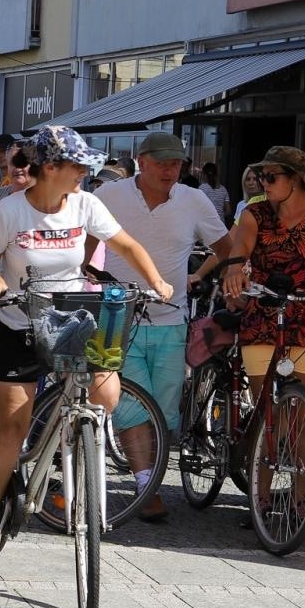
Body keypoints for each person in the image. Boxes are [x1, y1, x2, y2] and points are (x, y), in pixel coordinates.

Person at [0, 125, 174, 563]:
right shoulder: (10, 212)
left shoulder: (85, 203)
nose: (84, 174)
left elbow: (126, 245)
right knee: (12, 426)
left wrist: (155, 281)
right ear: (50, 167)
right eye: (77, 166)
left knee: (106, 394)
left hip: (74, 317)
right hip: (20, 320)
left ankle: (69, 436)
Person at [90, 131, 231, 522]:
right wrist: (90, 278)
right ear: (142, 160)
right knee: (132, 404)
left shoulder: (194, 199)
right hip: (115, 315)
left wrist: (208, 273)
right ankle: (146, 485)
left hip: (171, 318)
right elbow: (85, 245)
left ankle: (148, 477)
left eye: (178, 163)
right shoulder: (110, 195)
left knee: (164, 411)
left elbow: (227, 247)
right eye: (165, 162)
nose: (172, 169)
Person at [221, 145, 305, 402]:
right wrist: (234, 269)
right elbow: (240, 247)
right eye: (261, 175)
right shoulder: (254, 213)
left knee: (304, 418)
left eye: (271, 176)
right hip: (262, 316)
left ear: (295, 178)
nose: (264, 182)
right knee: (265, 411)